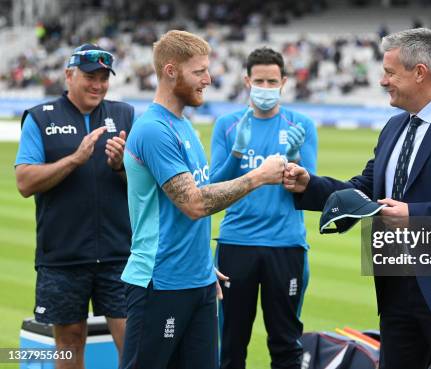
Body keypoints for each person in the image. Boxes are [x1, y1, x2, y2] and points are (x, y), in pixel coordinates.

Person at [283, 28, 431, 369]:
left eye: (390, 72)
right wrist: (308, 185)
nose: (382, 80)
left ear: (419, 72)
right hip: (395, 289)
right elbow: (365, 189)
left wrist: (415, 214)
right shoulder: (393, 127)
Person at [119, 30, 286, 369]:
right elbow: (194, 204)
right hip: (160, 282)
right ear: (170, 71)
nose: (209, 79)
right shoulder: (154, 129)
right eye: (199, 72)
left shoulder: (184, 126)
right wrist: (258, 176)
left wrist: (202, 265)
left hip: (199, 281)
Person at [14, 44, 133, 369]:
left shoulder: (124, 114)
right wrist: (74, 160)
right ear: (69, 75)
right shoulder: (40, 118)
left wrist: (124, 167)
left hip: (120, 255)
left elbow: (146, 185)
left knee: (134, 344)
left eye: (104, 78)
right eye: (90, 77)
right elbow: (24, 182)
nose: (98, 84)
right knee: (68, 347)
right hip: (63, 259)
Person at [210, 47, 318, 369]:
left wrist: (296, 159)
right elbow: (214, 188)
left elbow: (308, 189)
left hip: (285, 244)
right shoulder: (228, 125)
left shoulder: (301, 124)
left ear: (284, 81)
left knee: (286, 343)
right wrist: (237, 155)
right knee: (231, 343)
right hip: (236, 243)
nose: (266, 88)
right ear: (247, 81)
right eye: (260, 81)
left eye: (273, 81)